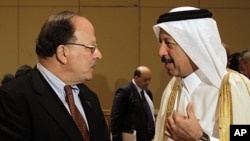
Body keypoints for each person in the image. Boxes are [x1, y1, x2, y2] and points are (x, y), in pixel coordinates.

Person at [0, 11, 110, 141]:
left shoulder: (90, 97)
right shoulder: (13, 98)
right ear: (63, 52)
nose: (98, 55)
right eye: (91, 47)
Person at [152, 6, 250, 141]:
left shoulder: (233, 86)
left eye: (169, 43)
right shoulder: (171, 90)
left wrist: (200, 138)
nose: (161, 52)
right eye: (161, 42)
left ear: (193, 46)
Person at [111, 66, 155, 141]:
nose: (148, 83)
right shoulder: (124, 92)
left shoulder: (147, 93)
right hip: (131, 137)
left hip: (147, 137)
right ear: (136, 77)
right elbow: (116, 118)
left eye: (149, 80)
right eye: (145, 80)